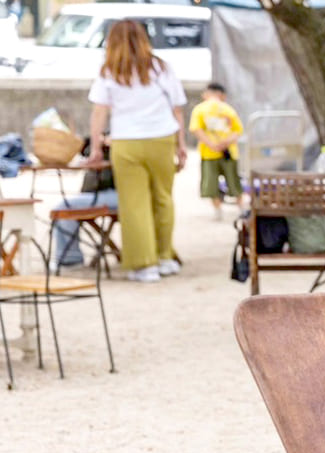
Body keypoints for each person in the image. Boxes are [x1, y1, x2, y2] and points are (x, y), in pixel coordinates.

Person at [88, 18, 186, 283]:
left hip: (126, 141)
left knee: (134, 203)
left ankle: (145, 264)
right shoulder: (161, 67)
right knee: (163, 198)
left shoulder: (109, 70)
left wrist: (96, 146)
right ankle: (165, 256)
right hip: (161, 138)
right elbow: (177, 108)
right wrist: (181, 144)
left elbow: (99, 112)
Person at [49, 137, 117, 271]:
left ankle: (70, 258)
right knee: (65, 206)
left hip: (117, 193)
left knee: (64, 207)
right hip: (101, 193)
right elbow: (85, 148)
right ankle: (69, 257)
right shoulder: (105, 138)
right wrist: (97, 143)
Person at [189, 82, 242, 220]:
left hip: (209, 153)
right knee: (234, 182)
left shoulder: (199, 109)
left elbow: (196, 129)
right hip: (229, 152)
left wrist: (212, 144)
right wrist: (225, 143)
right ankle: (241, 208)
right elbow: (238, 131)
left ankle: (218, 211)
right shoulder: (228, 109)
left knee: (211, 184)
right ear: (221, 94)